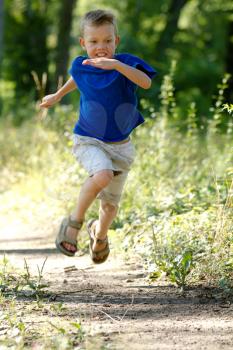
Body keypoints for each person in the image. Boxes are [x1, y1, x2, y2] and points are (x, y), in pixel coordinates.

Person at [40, 9, 156, 264]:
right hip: (88, 140)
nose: (101, 47)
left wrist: (116, 65)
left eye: (107, 41)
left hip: (121, 147)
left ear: (117, 41)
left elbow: (146, 82)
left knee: (110, 207)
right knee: (101, 174)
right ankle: (74, 222)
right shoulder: (81, 65)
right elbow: (77, 78)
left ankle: (99, 234)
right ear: (83, 43)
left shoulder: (125, 64)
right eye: (93, 42)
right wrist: (57, 96)